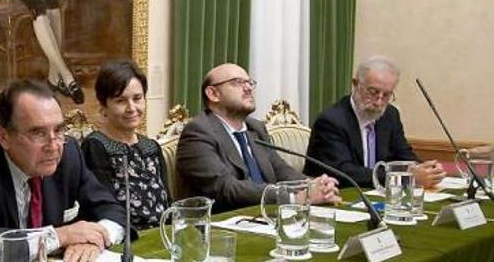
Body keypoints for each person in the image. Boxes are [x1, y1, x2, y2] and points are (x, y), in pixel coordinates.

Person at [0, 80, 128, 262]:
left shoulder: (67, 155)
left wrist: (95, 238)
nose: (53, 146)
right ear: (3, 136)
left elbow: (112, 210)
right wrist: (59, 237)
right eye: (38, 133)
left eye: (59, 130)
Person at [176, 63, 341, 213]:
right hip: (224, 225)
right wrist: (292, 198)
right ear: (213, 94)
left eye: (249, 83)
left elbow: (280, 170)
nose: (248, 88)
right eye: (237, 83)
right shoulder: (198, 132)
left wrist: (313, 185)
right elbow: (225, 188)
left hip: (268, 216)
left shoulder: (255, 128)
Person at [304, 56, 446, 188]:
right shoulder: (331, 121)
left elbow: (404, 156)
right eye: (373, 92)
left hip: (377, 195)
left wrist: (425, 169)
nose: (379, 102)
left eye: (386, 95)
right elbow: (345, 172)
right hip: (340, 196)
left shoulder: (390, 115)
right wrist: (404, 178)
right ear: (355, 84)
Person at [81, 60, 170, 229]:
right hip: (123, 241)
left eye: (137, 98)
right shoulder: (95, 147)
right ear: (103, 106)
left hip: (162, 237)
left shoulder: (151, 147)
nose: (131, 108)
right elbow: (102, 210)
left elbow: (168, 204)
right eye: (121, 101)